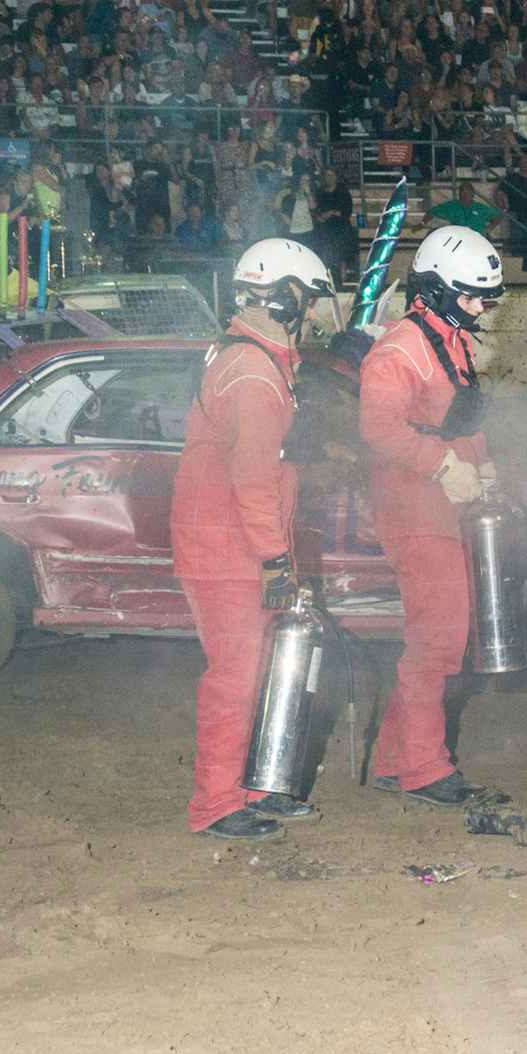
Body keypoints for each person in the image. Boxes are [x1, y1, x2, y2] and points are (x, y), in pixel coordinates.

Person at [171, 239, 341, 842]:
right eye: (314, 300)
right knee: (236, 676)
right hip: (226, 547)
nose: (320, 313)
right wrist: (274, 559)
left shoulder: (257, 360)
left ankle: (250, 788)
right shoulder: (253, 375)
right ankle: (216, 804)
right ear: (287, 296)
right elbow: (252, 478)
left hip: (232, 539)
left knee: (259, 670)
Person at [358, 226, 505, 808]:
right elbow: (379, 430)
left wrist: (483, 464)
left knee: (439, 634)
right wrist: (445, 467)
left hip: (443, 503)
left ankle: (398, 759)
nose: (481, 308)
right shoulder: (399, 349)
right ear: (438, 290)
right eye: (473, 297)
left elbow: (461, 419)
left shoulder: (449, 337)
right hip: (412, 505)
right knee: (438, 638)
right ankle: (423, 768)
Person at [427, 180, 503, 237]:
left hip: (477, 239)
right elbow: (431, 212)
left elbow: (497, 218)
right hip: (458, 238)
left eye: (467, 192)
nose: (465, 194)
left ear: (472, 193)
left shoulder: (480, 207)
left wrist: (488, 229)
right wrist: (422, 223)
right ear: (459, 193)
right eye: (462, 192)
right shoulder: (452, 205)